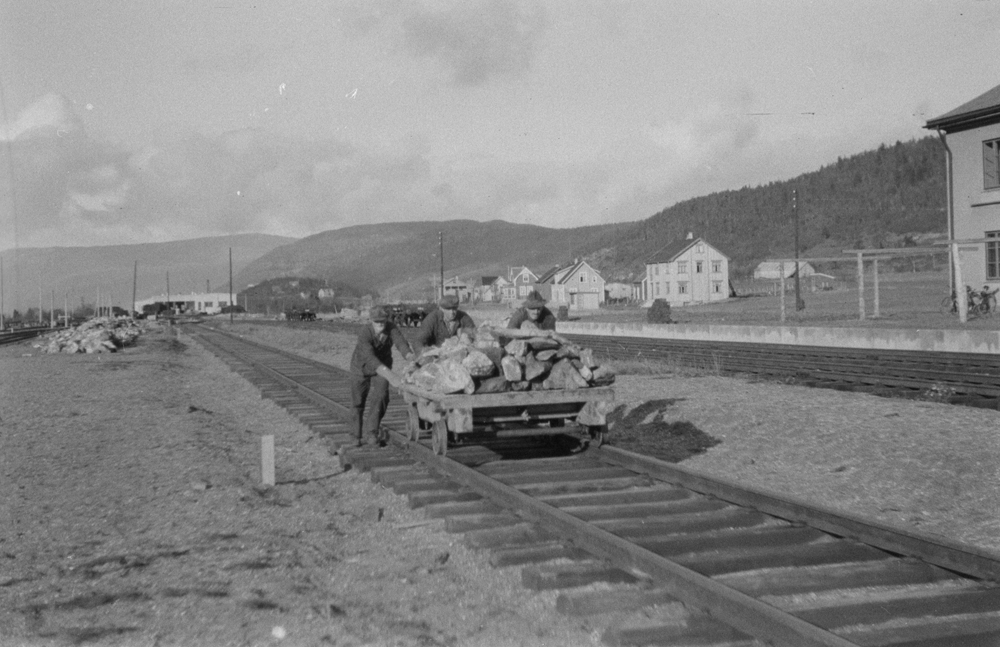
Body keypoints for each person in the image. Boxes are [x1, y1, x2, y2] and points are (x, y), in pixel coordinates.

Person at [349, 306, 414, 447]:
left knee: (381, 397)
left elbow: (400, 342)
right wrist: (390, 375)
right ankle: (355, 435)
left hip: (383, 365)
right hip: (361, 368)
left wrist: (409, 356)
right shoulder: (365, 332)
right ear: (371, 321)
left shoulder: (391, 328)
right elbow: (369, 357)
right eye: (377, 323)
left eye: (383, 322)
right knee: (358, 402)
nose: (381, 326)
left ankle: (372, 433)